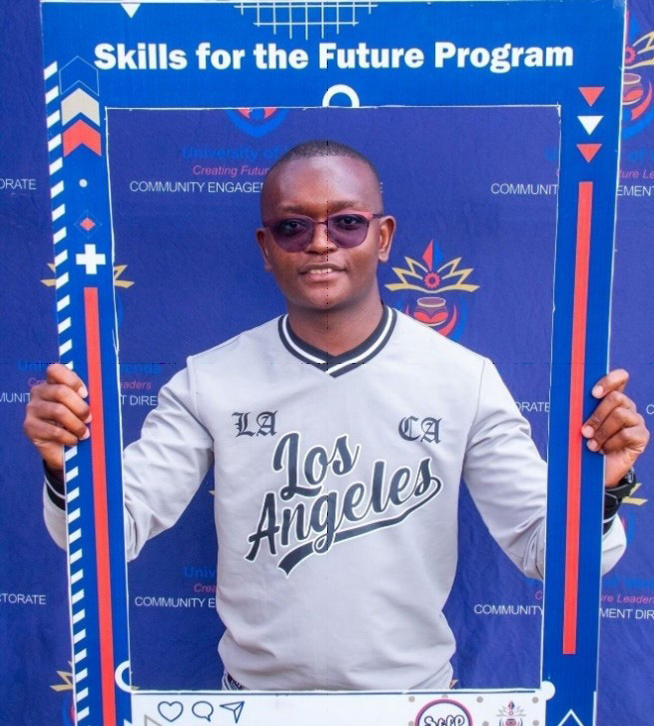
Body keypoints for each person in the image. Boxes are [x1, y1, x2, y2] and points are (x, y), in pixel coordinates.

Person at [24, 140, 649, 691]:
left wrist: (600, 488)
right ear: (267, 248)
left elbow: (549, 552)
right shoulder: (208, 381)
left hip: (412, 705)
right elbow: (112, 528)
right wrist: (64, 466)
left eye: (347, 223)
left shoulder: (465, 379)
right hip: (256, 706)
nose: (321, 242)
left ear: (384, 237)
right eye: (293, 227)